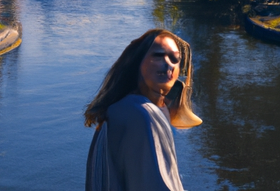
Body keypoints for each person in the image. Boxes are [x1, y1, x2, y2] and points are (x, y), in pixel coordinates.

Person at [84, 29, 202, 191]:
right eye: (158, 56)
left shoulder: (122, 107)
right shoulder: (140, 113)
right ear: (137, 61)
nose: (169, 64)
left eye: (175, 59)